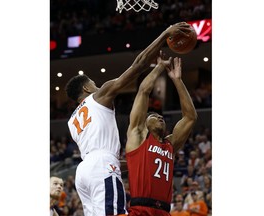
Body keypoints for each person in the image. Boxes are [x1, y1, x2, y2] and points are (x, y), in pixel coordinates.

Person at [65, 22, 192, 216]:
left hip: (83, 172)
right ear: (87, 89)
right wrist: (164, 34)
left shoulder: (72, 121)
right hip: (103, 164)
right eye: (94, 84)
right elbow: (138, 65)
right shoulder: (98, 96)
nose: (98, 87)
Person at [125, 55, 197, 216]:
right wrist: (159, 67)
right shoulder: (138, 136)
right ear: (145, 124)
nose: (160, 117)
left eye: (161, 116)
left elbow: (190, 117)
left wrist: (177, 80)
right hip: (140, 210)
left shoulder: (170, 144)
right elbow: (144, 91)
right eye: (153, 116)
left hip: (164, 211)